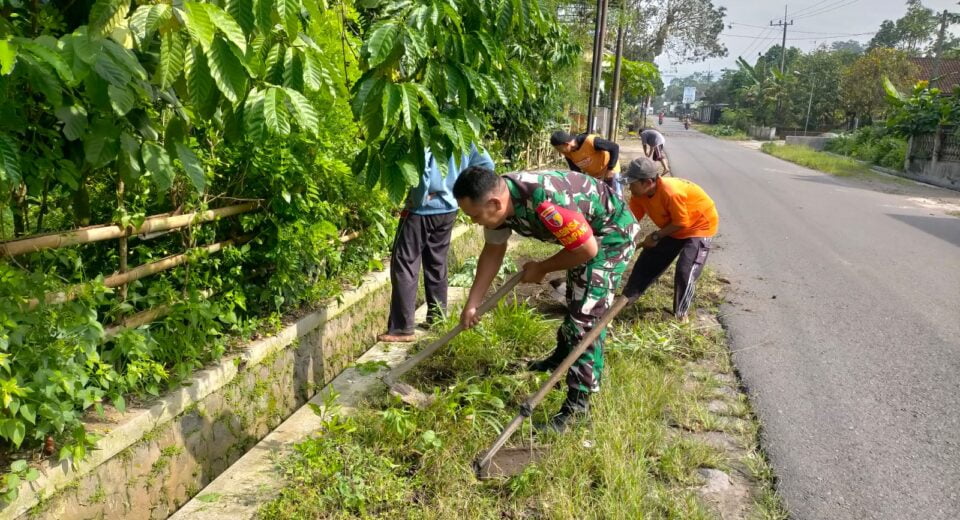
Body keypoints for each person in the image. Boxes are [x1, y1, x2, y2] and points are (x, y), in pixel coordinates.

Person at [452, 167, 640, 431]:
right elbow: (493, 250)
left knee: (585, 318)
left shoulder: (546, 202)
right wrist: (472, 304)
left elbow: (587, 249)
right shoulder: (500, 205)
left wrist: (542, 267)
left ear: (494, 203)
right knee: (577, 299)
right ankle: (561, 359)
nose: (473, 222)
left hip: (611, 235)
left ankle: (578, 408)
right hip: (586, 235)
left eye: (474, 216)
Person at [378, 145, 495, 343]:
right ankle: (437, 318)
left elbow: (423, 165)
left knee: (405, 264)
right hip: (449, 208)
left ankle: (402, 329)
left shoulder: (429, 129)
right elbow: (487, 164)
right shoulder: (461, 133)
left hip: (422, 209)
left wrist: (419, 197)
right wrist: (457, 192)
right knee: (437, 263)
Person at [619, 157, 718, 321]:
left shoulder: (671, 192)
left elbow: (682, 222)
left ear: (648, 182)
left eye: (633, 183)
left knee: (685, 269)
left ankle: (681, 315)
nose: (630, 187)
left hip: (699, 226)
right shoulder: (639, 195)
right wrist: (617, 239)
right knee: (648, 260)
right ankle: (626, 299)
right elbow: (630, 220)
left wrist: (657, 235)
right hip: (674, 225)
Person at [549, 131, 622, 194]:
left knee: (615, 196)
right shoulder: (568, 153)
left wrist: (610, 169)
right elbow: (575, 170)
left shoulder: (589, 141)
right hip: (596, 175)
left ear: (566, 144)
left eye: (558, 148)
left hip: (610, 170)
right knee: (602, 198)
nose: (559, 151)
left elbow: (614, 147)